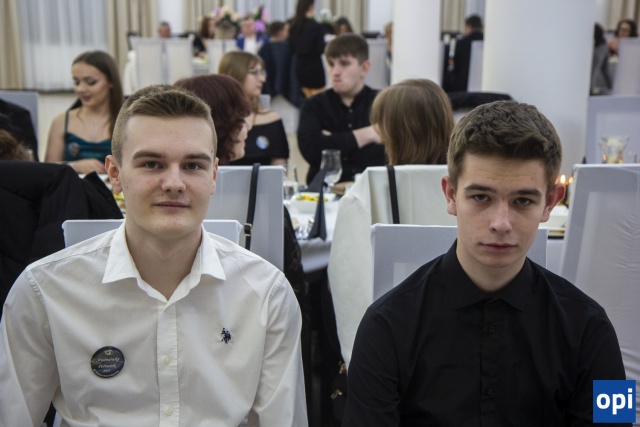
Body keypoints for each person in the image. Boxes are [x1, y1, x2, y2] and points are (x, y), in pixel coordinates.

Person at [0, 85, 308, 426]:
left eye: (192, 165)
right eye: (152, 164)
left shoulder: (266, 293)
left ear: (213, 176)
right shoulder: (45, 291)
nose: (174, 183)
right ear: (115, 174)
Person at [343, 101, 628, 426]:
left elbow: (616, 422)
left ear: (550, 202)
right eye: (481, 197)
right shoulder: (383, 326)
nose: (500, 223)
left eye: (523, 200)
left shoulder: (593, 329)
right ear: (451, 195)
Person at [328, 79, 455, 368]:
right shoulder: (472, 187)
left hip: (393, 351)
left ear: (393, 132)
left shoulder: (368, 190)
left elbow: (350, 290)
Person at [297, 33, 384, 184]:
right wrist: (368, 134)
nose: (335, 72)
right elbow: (311, 151)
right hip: (324, 191)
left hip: (372, 189)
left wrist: (332, 142)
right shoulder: (313, 105)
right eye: (331, 64)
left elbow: (389, 155)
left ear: (364, 68)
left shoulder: (383, 103)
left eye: (344, 64)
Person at [45, 50, 124, 174]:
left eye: (91, 82)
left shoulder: (127, 121)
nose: (80, 89)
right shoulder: (61, 121)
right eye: (76, 82)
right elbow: (48, 170)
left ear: (111, 82)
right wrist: (74, 166)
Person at [219, 51, 289, 166]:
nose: (262, 79)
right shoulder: (214, 120)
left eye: (262, 72)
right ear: (234, 74)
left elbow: (279, 170)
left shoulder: (272, 120)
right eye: (254, 72)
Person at [289, 0, 326, 99]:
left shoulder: (293, 26)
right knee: (318, 101)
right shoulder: (316, 26)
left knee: (304, 101)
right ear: (311, 6)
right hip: (314, 69)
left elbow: (291, 48)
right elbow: (321, 49)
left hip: (299, 68)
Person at [451, 14, 484, 92]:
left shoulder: (461, 43)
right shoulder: (486, 41)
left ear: (469, 26)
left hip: (463, 85)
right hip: (482, 83)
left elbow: (456, 66)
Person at [591, 23, 612, 95]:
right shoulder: (603, 47)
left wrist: (611, 86)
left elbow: (604, 69)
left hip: (590, 84)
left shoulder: (601, 48)